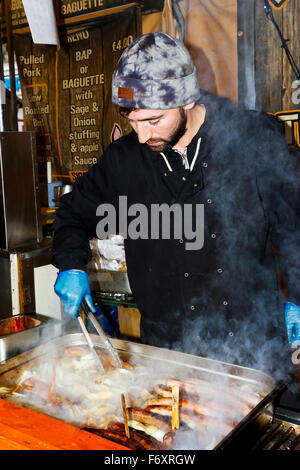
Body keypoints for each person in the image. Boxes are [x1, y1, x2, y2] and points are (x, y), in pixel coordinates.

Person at [52, 32, 300, 393]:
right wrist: (70, 263)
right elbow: (73, 212)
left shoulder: (252, 139)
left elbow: (293, 225)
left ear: (187, 99)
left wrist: (297, 296)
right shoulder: (124, 160)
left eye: (153, 120)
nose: (141, 135)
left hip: (250, 346)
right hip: (167, 354)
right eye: (133, 120)